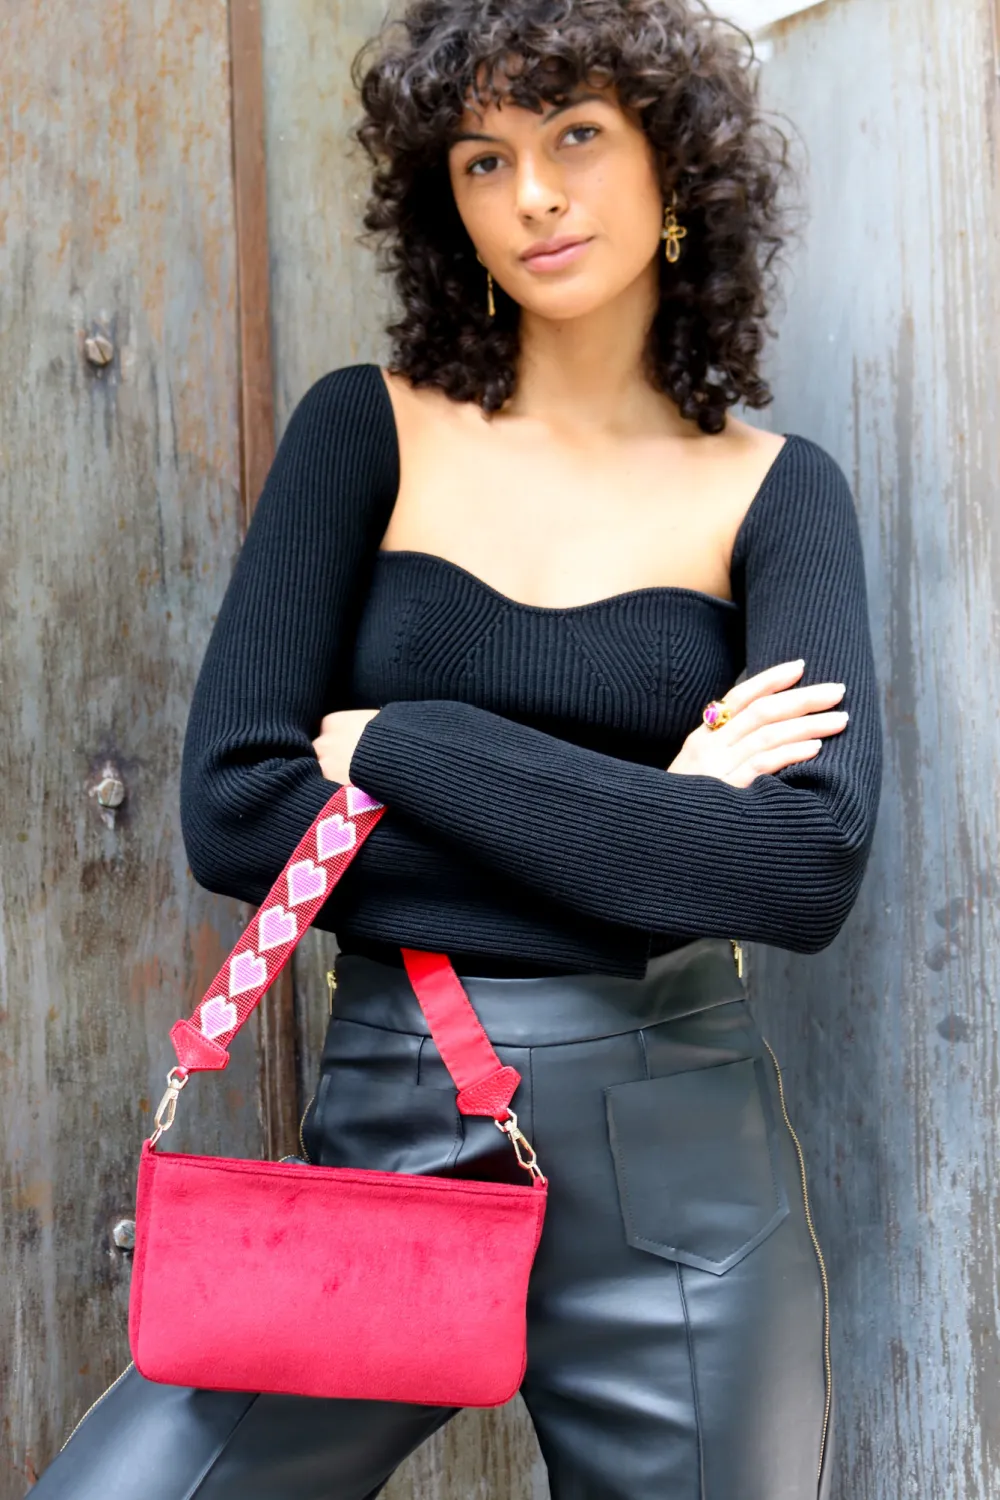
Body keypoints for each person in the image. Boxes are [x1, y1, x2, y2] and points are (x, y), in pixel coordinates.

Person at [33, 1, 882, 1496]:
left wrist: (408, 747)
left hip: (689, 1178)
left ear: (673, 160)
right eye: (484, 160)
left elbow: (800, 867)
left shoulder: (777, 492)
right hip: (397, 1118)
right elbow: (240, 818)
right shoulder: (367, 431)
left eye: (573, 137)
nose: (534, 194)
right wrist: (656, 824)